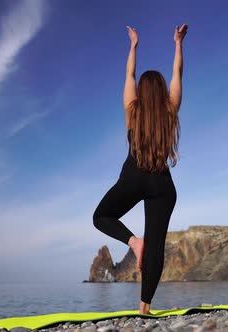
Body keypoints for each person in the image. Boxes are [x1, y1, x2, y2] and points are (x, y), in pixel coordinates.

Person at [93, 23, 188, 315]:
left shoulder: (132, 111)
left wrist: (133, 46)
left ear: (141, 93)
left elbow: (129, 74)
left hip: (133, 177)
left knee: (101, 216)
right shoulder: (170, 110)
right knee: (156, 246)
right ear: (160, 93)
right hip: (162, 185)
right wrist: (178, 44)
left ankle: (134, 242)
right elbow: (177, 75)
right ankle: (144, 308)